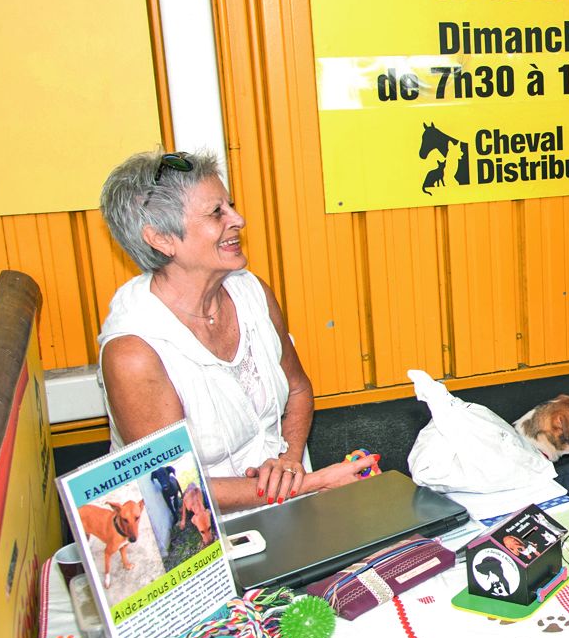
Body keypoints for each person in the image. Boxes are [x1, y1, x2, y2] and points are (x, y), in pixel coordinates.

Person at [98, 150, 377, 514]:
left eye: (230, 206)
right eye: (217, 213)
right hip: (201, 545)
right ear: (161, 239)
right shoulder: (134, 353)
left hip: (285, 513)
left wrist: (290, 461)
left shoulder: (251, 292)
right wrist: (313, 482)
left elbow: (296, 388)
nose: (239, 220)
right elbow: (176, 490)